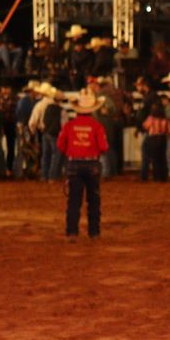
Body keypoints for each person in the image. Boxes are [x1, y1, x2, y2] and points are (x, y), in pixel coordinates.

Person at [57, 90, 109, 240]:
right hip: (92, 164)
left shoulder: (69, 125)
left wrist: (73, 150)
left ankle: (72, 232)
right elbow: (104, 147)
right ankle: (94, 232)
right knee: (94, 200)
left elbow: (60, 145)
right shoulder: (97, 126)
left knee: (74, 200)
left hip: (74, 163)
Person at [139, 101, 170, 181]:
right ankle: (163, 176)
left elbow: (145, 126)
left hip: (153, 138)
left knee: (155, 158)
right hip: (163, 139)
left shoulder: (151, 118)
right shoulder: (165, 119)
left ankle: (156, 176)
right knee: (162, 158)